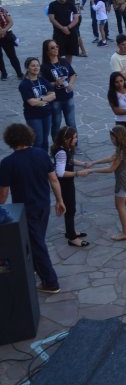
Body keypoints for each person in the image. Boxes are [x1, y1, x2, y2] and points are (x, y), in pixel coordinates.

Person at [0, 123, 65, 293]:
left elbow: (3, 194)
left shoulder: (8, 163)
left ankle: (50, 282)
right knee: (36, 241)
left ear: (10, 140)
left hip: (26, 210)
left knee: (37, 245)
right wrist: (60, 201)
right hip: (44, 205)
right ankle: (37, 268)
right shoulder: (42, 154)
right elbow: (54, 180)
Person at [82, 125, 126, 240]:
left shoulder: (121, 152)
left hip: (122, 181)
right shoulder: (125, 147)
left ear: (118, 138)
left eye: (112, 138)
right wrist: (94, 162)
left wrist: (91, 170)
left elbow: (111, 169)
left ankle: (125, 232)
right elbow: (111, 158)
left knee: (120, 206)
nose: (111, 140)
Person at [51, 127, 90, 247]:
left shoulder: (66, 148)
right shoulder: (62, 152)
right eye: (75, 137)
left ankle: (70, 231)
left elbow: (70, 160)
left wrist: (82, 164)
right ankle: (72, 237)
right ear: (67, 139)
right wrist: (78, 173)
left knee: (70, 208)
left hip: (68, 183)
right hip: (64, 184)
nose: (76, 139)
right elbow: (60, 173)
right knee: (70, 209)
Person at [40, 40, 77, 142]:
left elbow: (73, 74)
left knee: (71, 122)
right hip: (56, 99)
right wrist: (54, 83)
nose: (56, 49)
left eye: (56, 46)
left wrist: (70, 83)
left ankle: (74, 144)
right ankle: (56, 146)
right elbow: (44, 85)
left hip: (68, 96)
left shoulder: (63, 61)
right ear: (47, 51)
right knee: (56, 123)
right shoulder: (44, 67)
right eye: (52, 47)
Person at [19, 57, 55, 151]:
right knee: (38, 141)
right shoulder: (24, 84)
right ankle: (37, 162)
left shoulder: (42, 80)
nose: (36, 68)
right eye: (33, 66)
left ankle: (44, 160)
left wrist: (41, 99)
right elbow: (32, 102)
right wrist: (46, 99)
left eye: (37, 65)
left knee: (45, 140)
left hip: (46, 114)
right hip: (33, 116)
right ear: (27, 68)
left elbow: (53, 95)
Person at [48, 0, 81, 64]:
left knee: (69, 52)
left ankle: (68, 68)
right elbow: (52, 19)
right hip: (58, 32)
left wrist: (68, 27)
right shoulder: (53, 5)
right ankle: (59, 68)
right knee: (57, 52)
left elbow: (76, 18)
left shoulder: (71, 4)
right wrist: (62, 28)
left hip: (70, 32)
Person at [0, 1, 23, 79]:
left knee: (12, 55)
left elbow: (11, 22)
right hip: (3, 33)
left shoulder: (3, 10)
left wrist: (3, 30)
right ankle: (4, 74)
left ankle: (19, 73)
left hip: (6, 35)